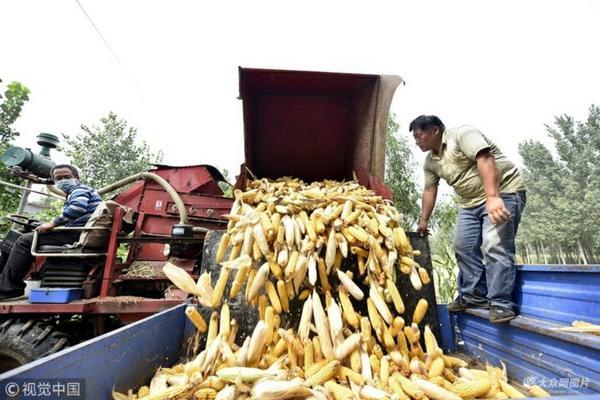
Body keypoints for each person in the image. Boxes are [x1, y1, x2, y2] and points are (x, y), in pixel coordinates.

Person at [411, 115, 526, 323]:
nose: (416, 141)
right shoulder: (430, 161)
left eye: (419, 136)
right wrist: (424, 220)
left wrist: (492, 197)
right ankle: (475, 296)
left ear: (435, 130)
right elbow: (430, 190)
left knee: (494, 245)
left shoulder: (462, 135)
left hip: (502, 192)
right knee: (462, 246)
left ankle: (501, 304)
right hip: (469, 203)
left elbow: (485, 158)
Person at [0, 164, 102, 301]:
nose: (63, 180)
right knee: (29, 239)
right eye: (58, 178)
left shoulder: (79, 190)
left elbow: (77, 209)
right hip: (81, 231)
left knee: (23, 241)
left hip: (79, 233)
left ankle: (9, 290)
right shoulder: (81, 191)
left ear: (77, 178)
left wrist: (52, 223)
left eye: (67, 177)